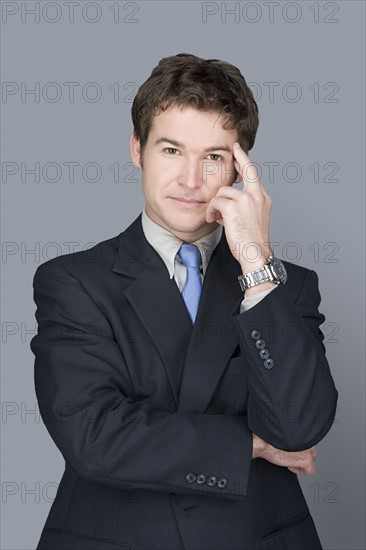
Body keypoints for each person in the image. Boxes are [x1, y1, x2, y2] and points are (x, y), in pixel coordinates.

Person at [31, 53, 338, 550]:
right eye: (172, 150)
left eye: (213, 157)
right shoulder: (73, 282)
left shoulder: (285, 286)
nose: (192, 181)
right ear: (138, 149)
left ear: (241, 168)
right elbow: (94, 436)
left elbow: (299, 424)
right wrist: (251, 444)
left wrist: (257, 262)